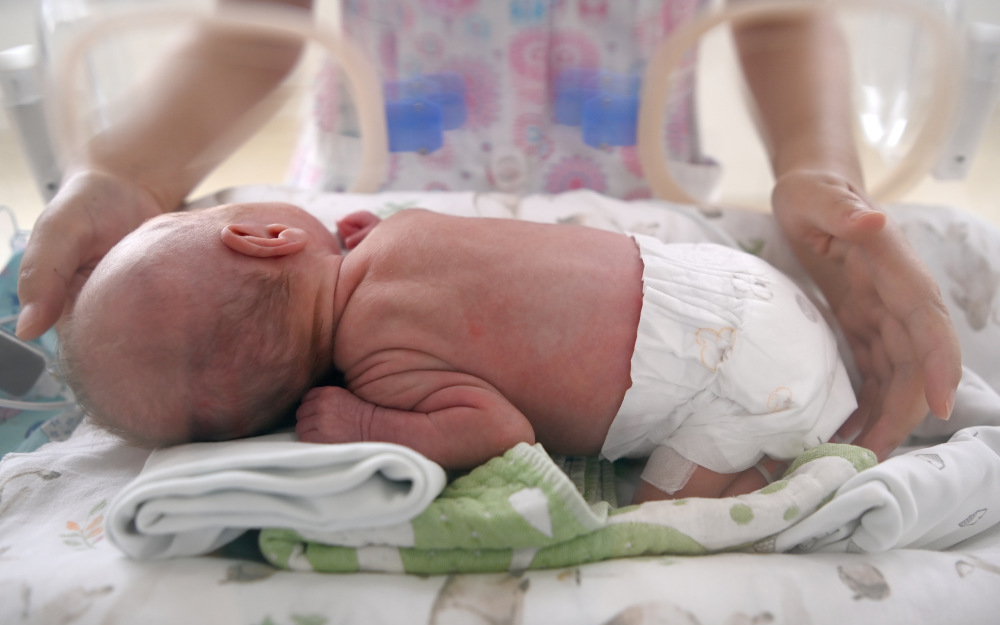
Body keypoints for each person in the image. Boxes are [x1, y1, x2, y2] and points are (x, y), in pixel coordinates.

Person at [17, 0, 961, 462]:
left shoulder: (365, 265)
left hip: (625, 213)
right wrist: (130, 175)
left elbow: (781, 20)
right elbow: (261, 21)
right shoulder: (351, 264)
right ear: (265, 238)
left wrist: (819, 174)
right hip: (376, 176)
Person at [59, 201, 856, 502]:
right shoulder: (403, 233)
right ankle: (809, 425)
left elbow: (499, 434)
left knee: (668, 511)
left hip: (734, 380)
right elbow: (489, 273)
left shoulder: (385, 368)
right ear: (267, 236)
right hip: (742, 294)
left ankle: (777, 467)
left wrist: (370, 424)